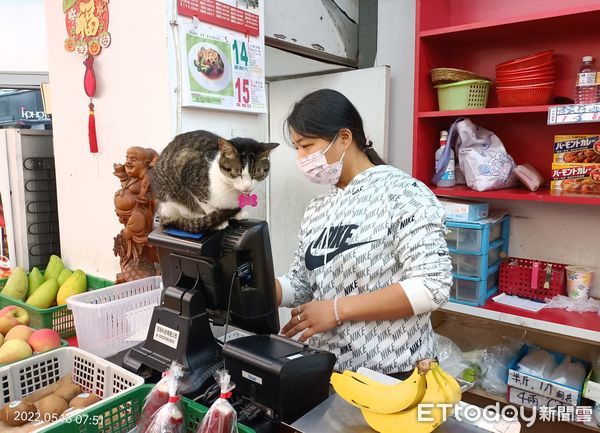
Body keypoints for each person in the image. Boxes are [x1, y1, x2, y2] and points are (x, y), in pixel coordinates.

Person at [275, 89, 452, 377]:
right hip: (331, 370)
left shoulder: (403, 193)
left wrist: (336, 310)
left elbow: (431, 286)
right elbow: (303, 284)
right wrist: (262, 288)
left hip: (397, 373)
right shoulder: (318, 208)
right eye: (296, 148)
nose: (301, 157)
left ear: (344, 138)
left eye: (307, 146)